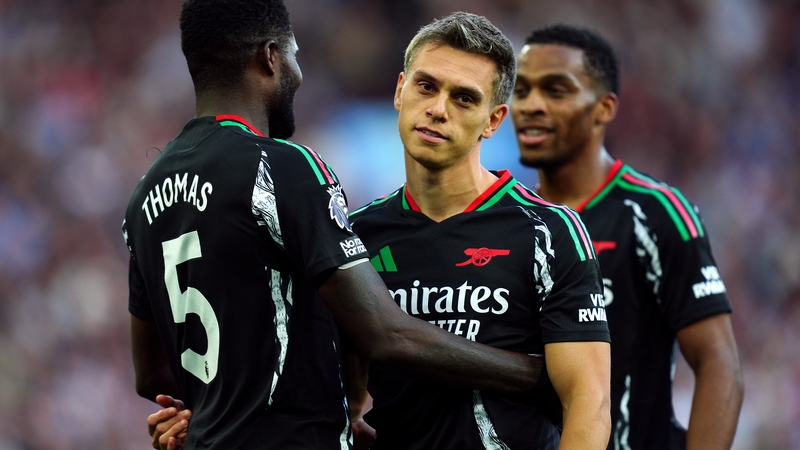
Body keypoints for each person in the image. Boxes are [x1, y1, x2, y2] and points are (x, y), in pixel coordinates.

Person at [146, 11, 612, 450]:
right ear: (400, 91)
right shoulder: (355, 236)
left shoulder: (548, 232)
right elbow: (339, 406)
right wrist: (198, 422)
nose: (438, 108)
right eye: (427, 87)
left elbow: (589, 404)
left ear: (493, 120)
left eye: (464, 98)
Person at [510, 24, 744, 450]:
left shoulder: (655, 214)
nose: (531, 105)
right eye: (521, 89)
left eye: (556, 90)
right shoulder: (508, 219)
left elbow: (718, 363)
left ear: (603, 108)